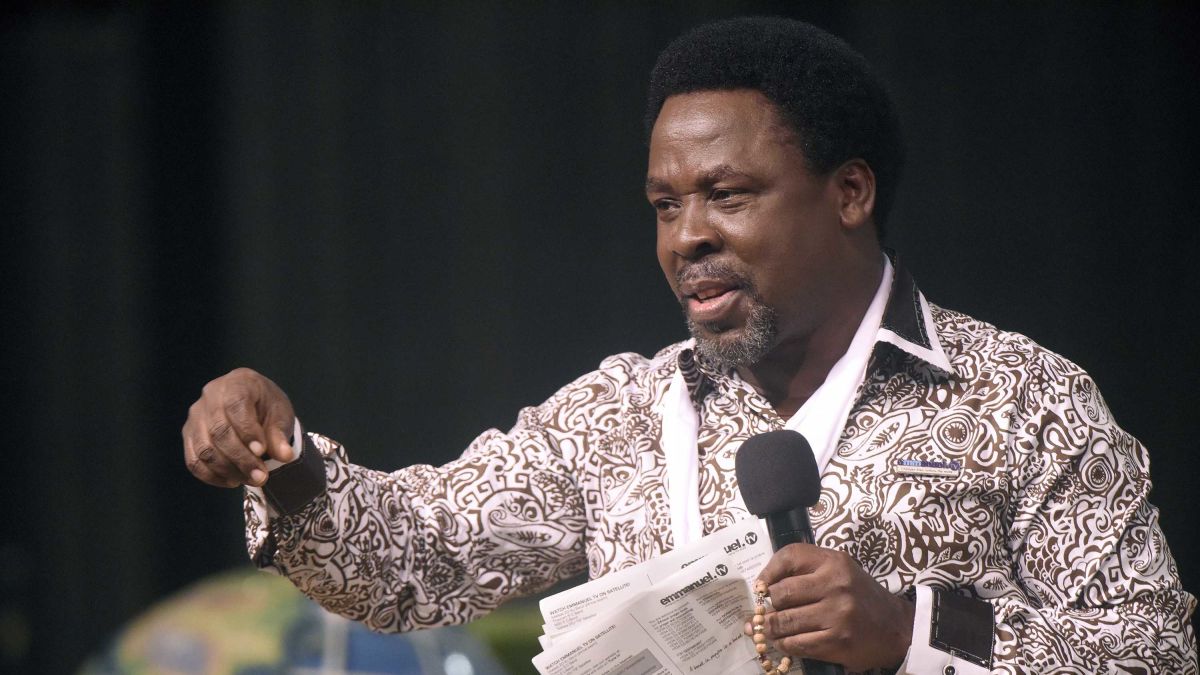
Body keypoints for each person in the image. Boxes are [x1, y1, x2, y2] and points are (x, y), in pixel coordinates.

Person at [181, 17, 1197, 674]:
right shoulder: (616, 417)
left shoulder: (1022, 399)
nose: (686, 238)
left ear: (849, 192)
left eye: (727, 194)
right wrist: (287, 461)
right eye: (666, 205)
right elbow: (414, 560)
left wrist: (911, 635)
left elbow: (1153, 652)